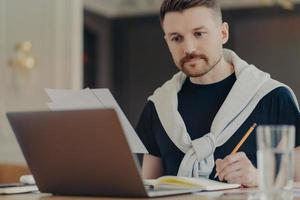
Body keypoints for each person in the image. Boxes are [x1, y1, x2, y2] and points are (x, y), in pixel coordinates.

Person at [135, 0, 300, 187]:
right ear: (167, 41)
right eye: (176, 38)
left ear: (223, 33)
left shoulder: (274, 97)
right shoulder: (157, 107)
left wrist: (259, 178)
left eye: (199, 34)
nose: (189, 48)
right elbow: (148, 189)